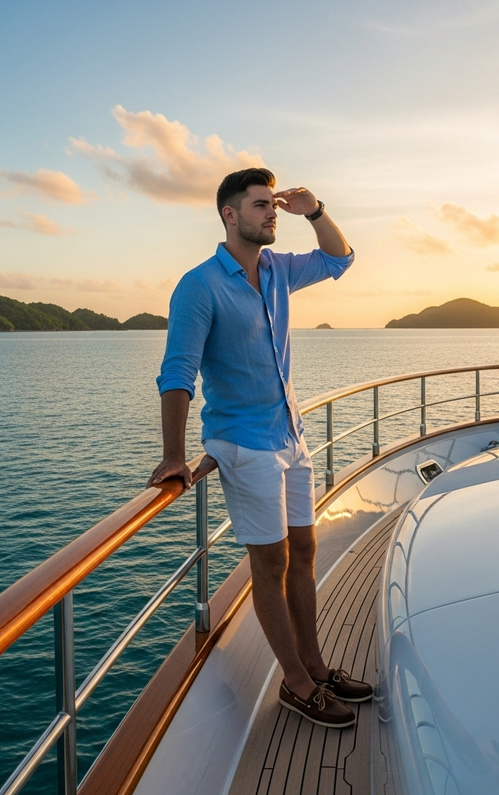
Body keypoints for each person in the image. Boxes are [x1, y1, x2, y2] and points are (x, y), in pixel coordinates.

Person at [149, 167, 372, 728]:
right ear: (229, 215)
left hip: (291, 438)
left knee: (305, 550)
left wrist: (315, 210)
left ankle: (316, 665)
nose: (272, 213)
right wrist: (174, 455)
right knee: (269, 562)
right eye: (259, 206)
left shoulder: (276, 269)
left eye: (273, 205)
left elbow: (339, 259)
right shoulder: (199, 285)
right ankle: (295, 685)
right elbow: (179, 371)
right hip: (244, 445)